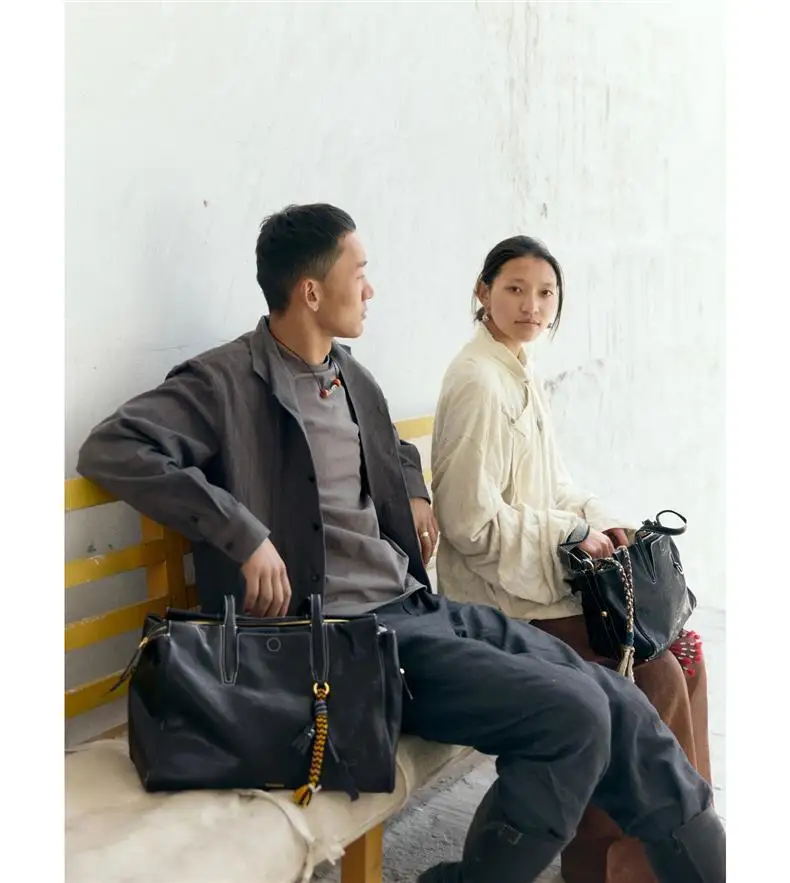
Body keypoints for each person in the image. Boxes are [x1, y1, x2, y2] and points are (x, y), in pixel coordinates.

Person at [77, 204, 725, 883]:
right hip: (350, 643)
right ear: (311, 291)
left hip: (417, 606)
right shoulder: (225, 383)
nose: (371, 288)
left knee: (619, 700)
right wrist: (241, 532)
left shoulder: (349, 375)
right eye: (359, 272)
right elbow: (114, 447)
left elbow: (392, 447)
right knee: (575, 715)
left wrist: (411, 488)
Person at [430, 234, 713, 883]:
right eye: (515, 289)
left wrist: (603, 519)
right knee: (652, 674)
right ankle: (613, 861)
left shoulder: (517, 368)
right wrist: (569, 531)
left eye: (545, 293)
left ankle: (673, 843)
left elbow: (552, 486)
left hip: (533, 586)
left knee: (680, 649)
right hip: (494, 604)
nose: (531, 305)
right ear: (483, 292)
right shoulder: (478, 381)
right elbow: (468, 520)